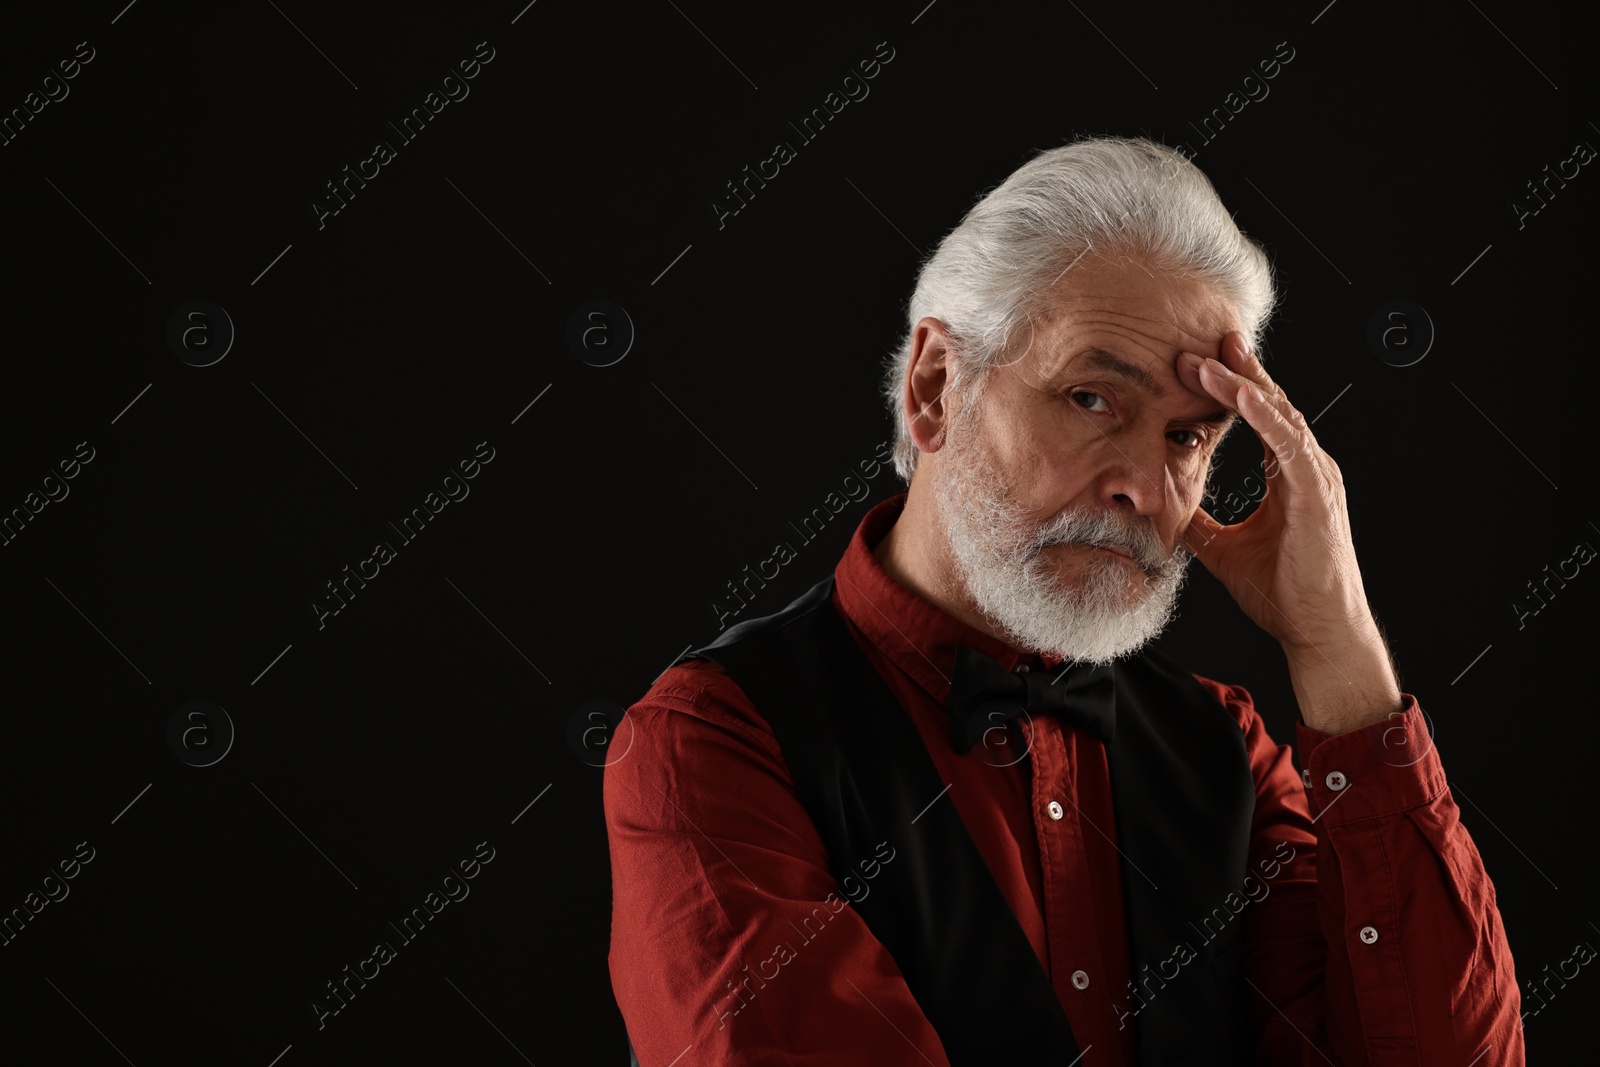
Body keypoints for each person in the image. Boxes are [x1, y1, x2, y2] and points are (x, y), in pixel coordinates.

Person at [604, 135, 1522, 1065]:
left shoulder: (1231, 752)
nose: (1143, 486)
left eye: (1189, 437)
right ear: (934, 387)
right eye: (1091, 398)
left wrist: (1337, 648)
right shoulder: (711, 740)